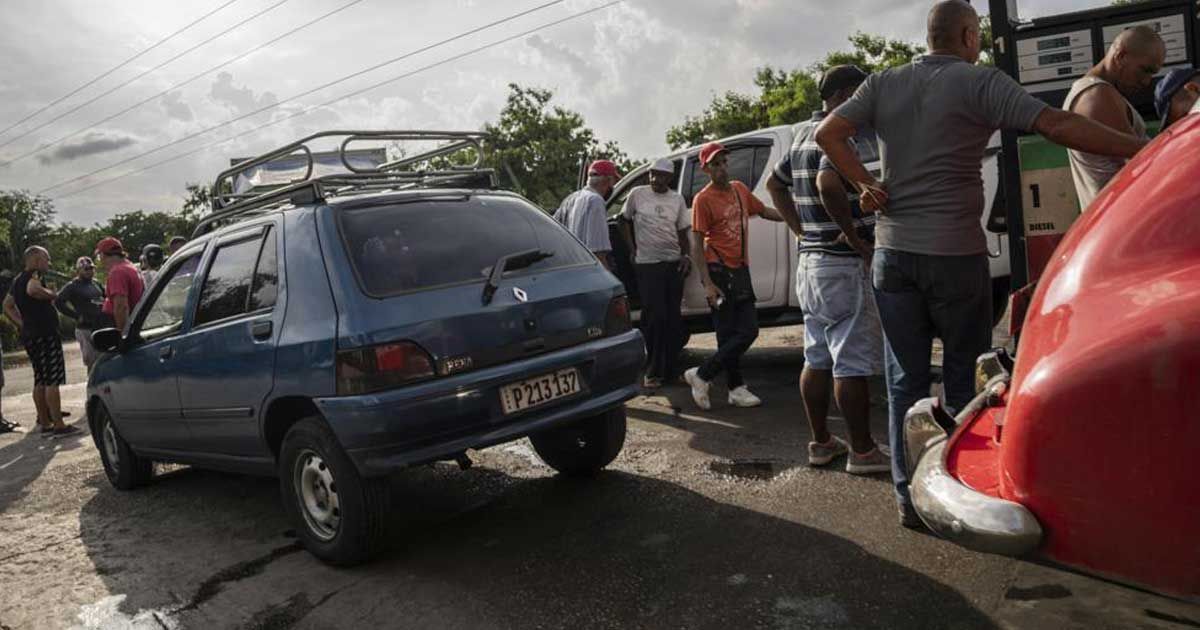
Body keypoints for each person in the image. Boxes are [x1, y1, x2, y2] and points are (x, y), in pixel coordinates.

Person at [815, 0, 1147, 528]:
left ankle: (907, 501)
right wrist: (1142, 149)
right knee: (964, 379)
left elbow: (827, 134)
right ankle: (959, 498)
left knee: (904, 383)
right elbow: (1058, 124)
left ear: (931, 37)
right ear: (968, 35)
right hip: (953, 255)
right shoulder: (979, 82)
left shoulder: (882, 83)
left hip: (893, 254)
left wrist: (866, 185)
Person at [765, 65, 890, 475]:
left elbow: (775, 185)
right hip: (842, 265)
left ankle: (820, 442)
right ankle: (863, 451)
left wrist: (801, 231)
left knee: (816, 355)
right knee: (850, 362)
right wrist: (856, 240)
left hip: (811, 263)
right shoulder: (839, 133)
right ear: (847, 93)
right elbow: (829, 185)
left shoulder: (803, 133)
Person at [683, 142, 789, 410]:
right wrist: (707, 283)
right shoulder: (702, 200)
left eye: (723, 162)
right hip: (717, 271)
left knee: (748, 330)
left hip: (740, 269)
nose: (721, 168)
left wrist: (794, 217)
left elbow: (764, 211)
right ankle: (736, 387)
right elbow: (696, 243)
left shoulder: (740, 190)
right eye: (715, 164)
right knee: (726, 334)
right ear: (706, 169)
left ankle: (703, 374)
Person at [1064, 26, 1164, 208]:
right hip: (1126, 222)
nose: (1146, 81)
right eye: (1145, 70)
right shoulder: (1097, 96)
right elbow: (1144, 166)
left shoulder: (1096, 92)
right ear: (1121, 56)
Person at [618, 158, 691, 389]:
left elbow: (682, 231)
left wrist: (685, 256)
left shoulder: (676, 199)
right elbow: (622, 221)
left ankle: (670, 370)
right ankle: (652, 370)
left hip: (673, 264)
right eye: (652, 174)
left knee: (673, 319)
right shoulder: (637, 194)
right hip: (648, 265)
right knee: (654, 317)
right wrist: (633, 250)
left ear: (669, 178)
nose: (655, 179)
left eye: (661, 175)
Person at [2, 247, 77, 436]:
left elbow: (7, 306)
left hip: (31, 335)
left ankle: (45, 422)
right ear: (35, 259)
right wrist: (53, 295)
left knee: (40, 379)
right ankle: (59, 425)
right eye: (47, 258)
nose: (49, 263)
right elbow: (33, 290)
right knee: (52, 379)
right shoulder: (33, 276)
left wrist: (22, 324)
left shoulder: (17, 280)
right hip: (45, 334)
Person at [555, 160, 619, 270]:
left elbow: (553, 227)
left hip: (569, 266)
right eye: (613, 182)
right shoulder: (596, 202)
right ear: (608, 180)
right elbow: (598, 250)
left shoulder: (570, 198)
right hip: (588, 269)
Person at [55, 256, 112, 372]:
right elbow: (58, 301)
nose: (89, 271)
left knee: (105, 358)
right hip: (85, 328)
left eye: (91, 268)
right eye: (86, 269)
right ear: (78, 271)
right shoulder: (72, 286)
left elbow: (107, 297)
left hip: (100, 326)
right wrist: (76, 316)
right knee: (91, 361)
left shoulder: (96, 283)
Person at [95, 237, 145, 332]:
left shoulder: (117, 272)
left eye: (99, 256)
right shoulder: (130, 266)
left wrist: (122, 334)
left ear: (103, 255)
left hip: (115, 323)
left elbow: (121, 307)